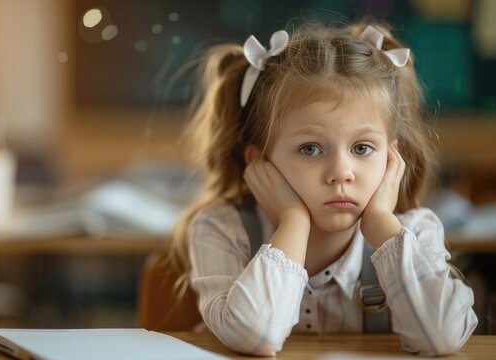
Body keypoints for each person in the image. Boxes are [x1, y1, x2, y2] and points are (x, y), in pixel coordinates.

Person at [168, 20, 478, 357]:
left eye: (362, 149)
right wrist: (293, 222)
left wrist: (381, 225)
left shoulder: (414, 233)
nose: (341, 173)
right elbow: (254, 336)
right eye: (310, 149)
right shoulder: (223, 229)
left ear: (392, 158)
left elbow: (442, 338)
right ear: (259, 162)